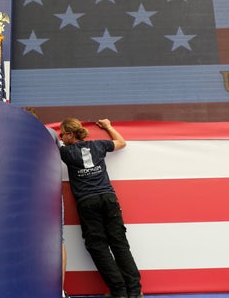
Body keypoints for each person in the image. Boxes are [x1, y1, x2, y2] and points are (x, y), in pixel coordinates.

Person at [58, 118, 143, 298]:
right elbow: (122, 143)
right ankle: (135, 291)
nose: (60, 137)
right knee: (119, 244)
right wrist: (108, 126)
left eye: (62, 134)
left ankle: (119, 291)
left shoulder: (65, 152)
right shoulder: (99, 145)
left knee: (97, 246)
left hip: (87, 203)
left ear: (70, 134)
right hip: (109, 199)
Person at [22, 107, 69, 298]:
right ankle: (58, 291)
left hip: (25, 195)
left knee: (25, 240)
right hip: (51, 194)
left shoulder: (14, 133)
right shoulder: (50, 134)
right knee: (58, 240)